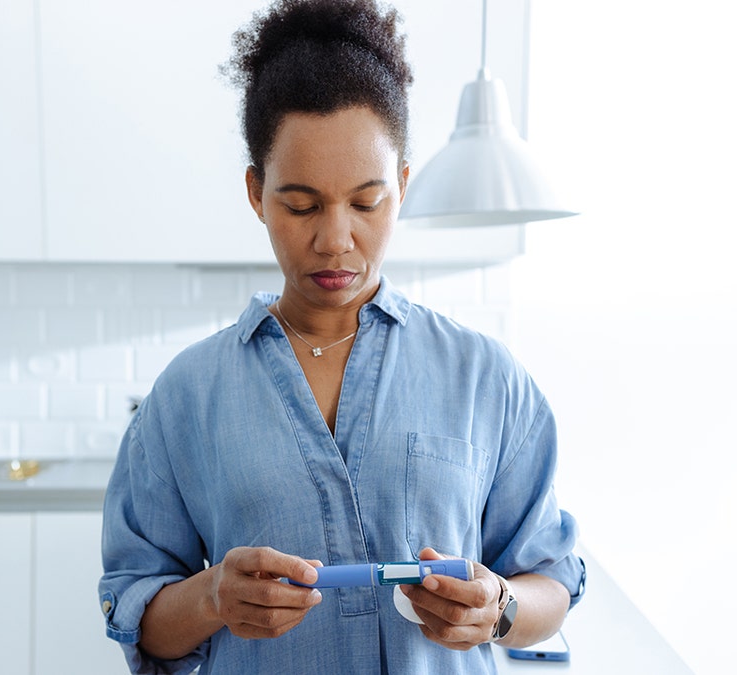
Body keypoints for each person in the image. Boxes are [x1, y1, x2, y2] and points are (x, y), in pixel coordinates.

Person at [99, 1, 584, 672]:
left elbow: (552, 582)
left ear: (404, 186)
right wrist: (214, 595)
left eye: (366, 202)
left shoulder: (485, 376)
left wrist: (496, 604)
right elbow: (137, 612)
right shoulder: (187, 396)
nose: (335, 239)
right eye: (300, 204)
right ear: (255, 193)